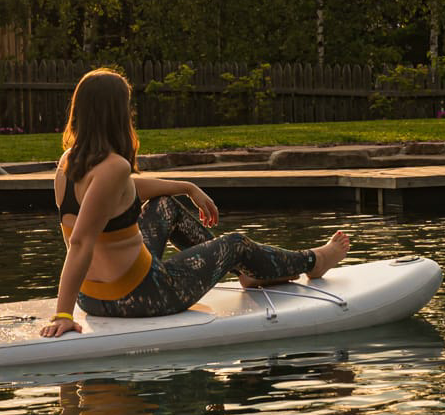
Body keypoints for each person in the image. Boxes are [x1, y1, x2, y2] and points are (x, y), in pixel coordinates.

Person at [45, 66, 350, 338]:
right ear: (117, 113)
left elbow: (122, 192)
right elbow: (82, 243)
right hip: (143, 296)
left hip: (93, 298)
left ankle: (245, 272)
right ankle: (314, 261)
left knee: (163, 205)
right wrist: (63, 315)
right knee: (235, 244)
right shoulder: (114, 166)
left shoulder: (68, 163)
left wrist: (187, 187)